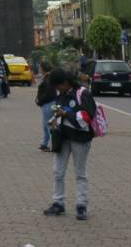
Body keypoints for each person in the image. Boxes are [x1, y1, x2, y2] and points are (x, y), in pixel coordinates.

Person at [43, 68, 98, 221]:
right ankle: (58, 202)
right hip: (63, 137)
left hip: (80, 138)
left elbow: (87, 117)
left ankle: (81, 205)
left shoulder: (82, 94)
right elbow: (59, 113)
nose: (57, 89)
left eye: (58, 86)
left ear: (65, 82)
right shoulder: (61, 95)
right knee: (57, 171)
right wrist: (55, 120)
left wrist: (66, 114)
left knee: (80, 172)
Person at [35, 61, 57, 152]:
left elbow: (48, 92)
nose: (39, 69)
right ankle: (44, 143)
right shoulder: (48, 77)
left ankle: (53, 145)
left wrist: (40, 100)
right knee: (46, 125)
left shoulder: (48, 78)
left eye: (40, 67)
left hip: (48, 104)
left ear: (43, 68)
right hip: (49, 103)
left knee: (49, 125)